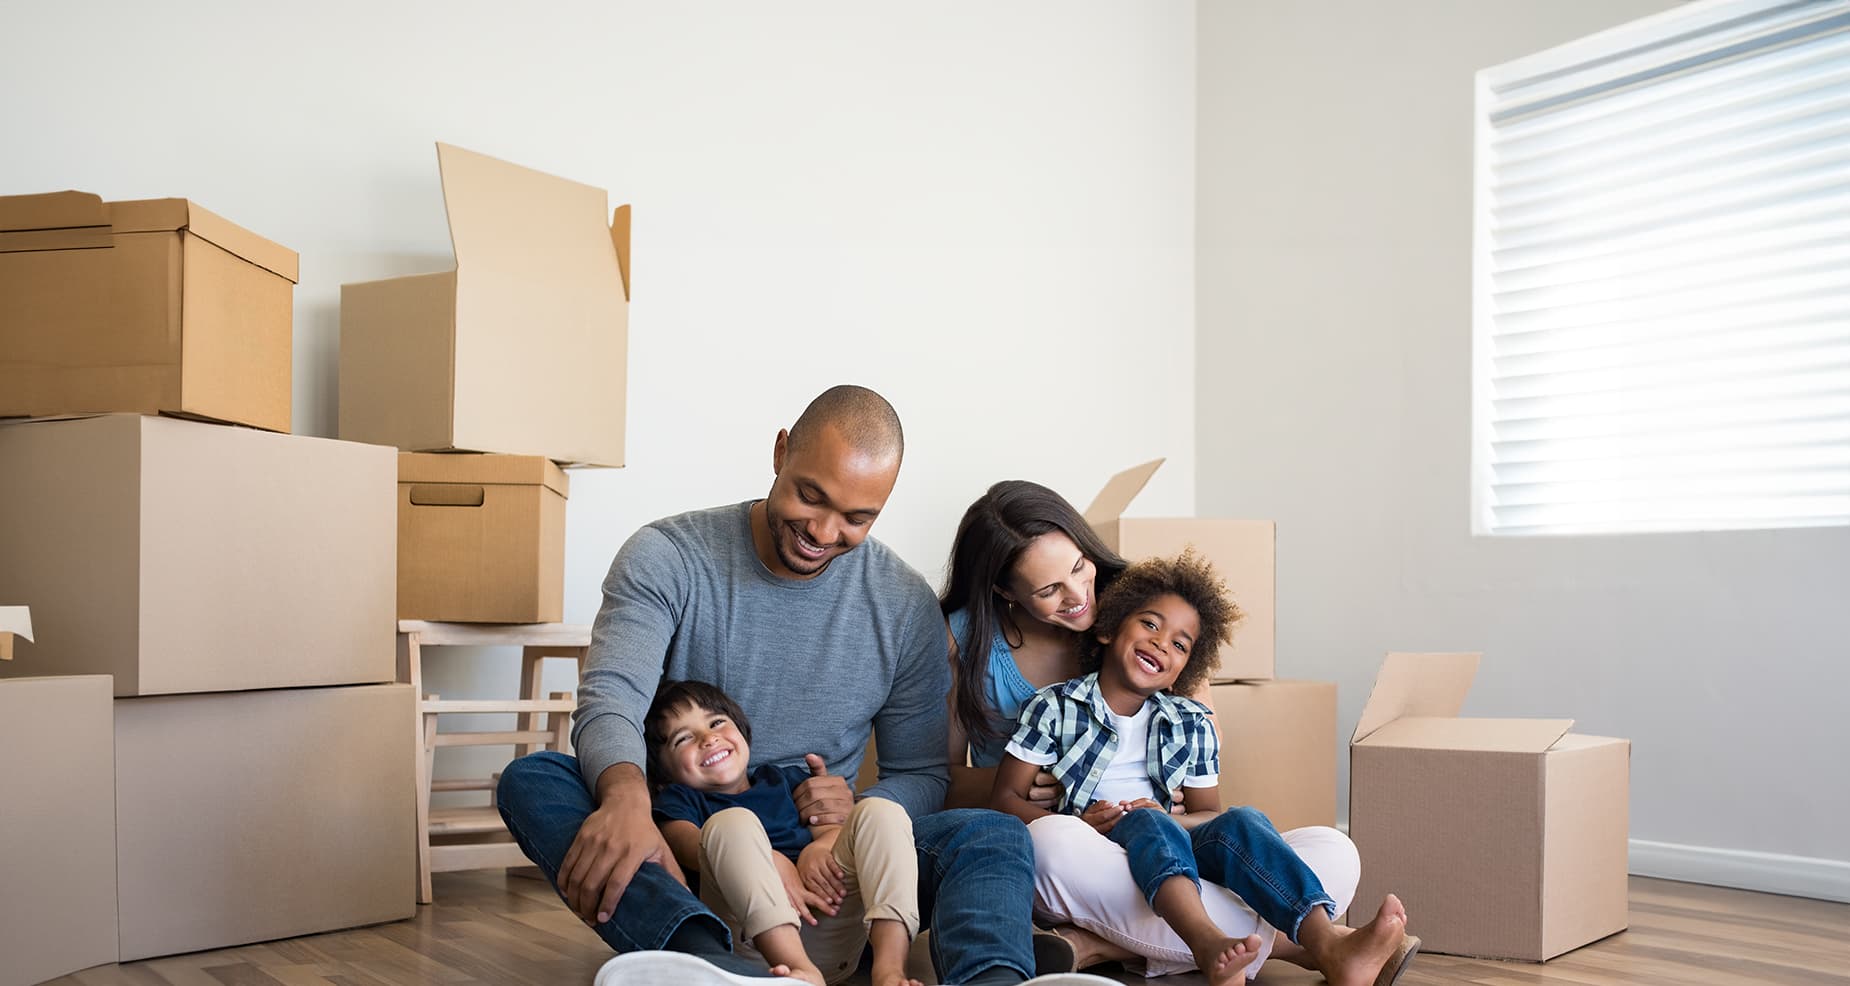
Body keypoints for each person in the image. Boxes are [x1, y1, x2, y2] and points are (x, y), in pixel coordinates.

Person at [497, 386, 1090, 986]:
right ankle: (709, 957)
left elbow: (922, 773)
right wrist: (627, 800)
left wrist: (853, 813)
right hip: (692, 850)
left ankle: (989, 980)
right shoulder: (668, 557)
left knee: (991, 832)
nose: (824, 531)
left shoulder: (904, 605)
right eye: (812, 496)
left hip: (836, 874)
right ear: (781, 452)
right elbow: (612, 701)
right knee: (537, 781)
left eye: (857, 519)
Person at [938, 480, 1368, 979]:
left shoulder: (1147, 606)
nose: (1080, 596)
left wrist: (1175, 803)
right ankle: (1290, 945)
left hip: (1167, 840)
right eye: (1050, 589)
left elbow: (1204, 755)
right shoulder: (973, 644)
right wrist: (1049, 791)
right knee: (1053, 842)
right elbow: (943, 778)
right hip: (1072, 847)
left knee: (1334, 851)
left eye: (1079, 567)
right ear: (1005, 591)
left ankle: (1101, 945)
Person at [991, 552, 1419, 986]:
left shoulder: (1190, 722)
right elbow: (1004, 800)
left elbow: (1210, 818)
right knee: (1054, 841)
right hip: (1098, 855)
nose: (1161, 642)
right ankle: (1213, 940)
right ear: (1108, 628)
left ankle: (1324, 939)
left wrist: (1167, 818)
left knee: (1309, 841)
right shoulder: (1054, 707)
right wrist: (1079, 822)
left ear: (1182, 671)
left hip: (1175, 851)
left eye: (1180, 644)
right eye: (1150, 624)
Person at [645, 679, 922, 986]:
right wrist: (769, 859)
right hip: (756, 943)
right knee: (731, 823)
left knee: (882, 811)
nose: (708, 739)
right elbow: (687, 846)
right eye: (683, 738)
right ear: (663, 773)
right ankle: (799, 970)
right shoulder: (680, 800)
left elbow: (829, 826)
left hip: (829, 915)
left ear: (742, 731)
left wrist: (818, 848)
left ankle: (890, 970)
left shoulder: (781, 778)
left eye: (717, 722)